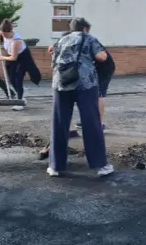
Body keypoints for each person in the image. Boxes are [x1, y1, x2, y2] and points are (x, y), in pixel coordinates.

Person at [48, 17, 114, 177]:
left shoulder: (61, 40)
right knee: (91, 123)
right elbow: (102, 57)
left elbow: (53, 62)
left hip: (61, 83)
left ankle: (55, 166)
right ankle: (100, 165)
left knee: (59, 122)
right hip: (84, 84)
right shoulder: (88, 38)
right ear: (85, 28)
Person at [0, 19, 42, 111]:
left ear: (11, 31)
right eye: (3, 33)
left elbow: (13, 57)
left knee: (18, 78)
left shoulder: (16, 40)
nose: (4, 35)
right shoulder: (3, 33)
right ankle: (20, 95)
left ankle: (19, 101)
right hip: (11, 57)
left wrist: (2, 58)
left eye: (6, 34)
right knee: (11, 78)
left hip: (22, 58)